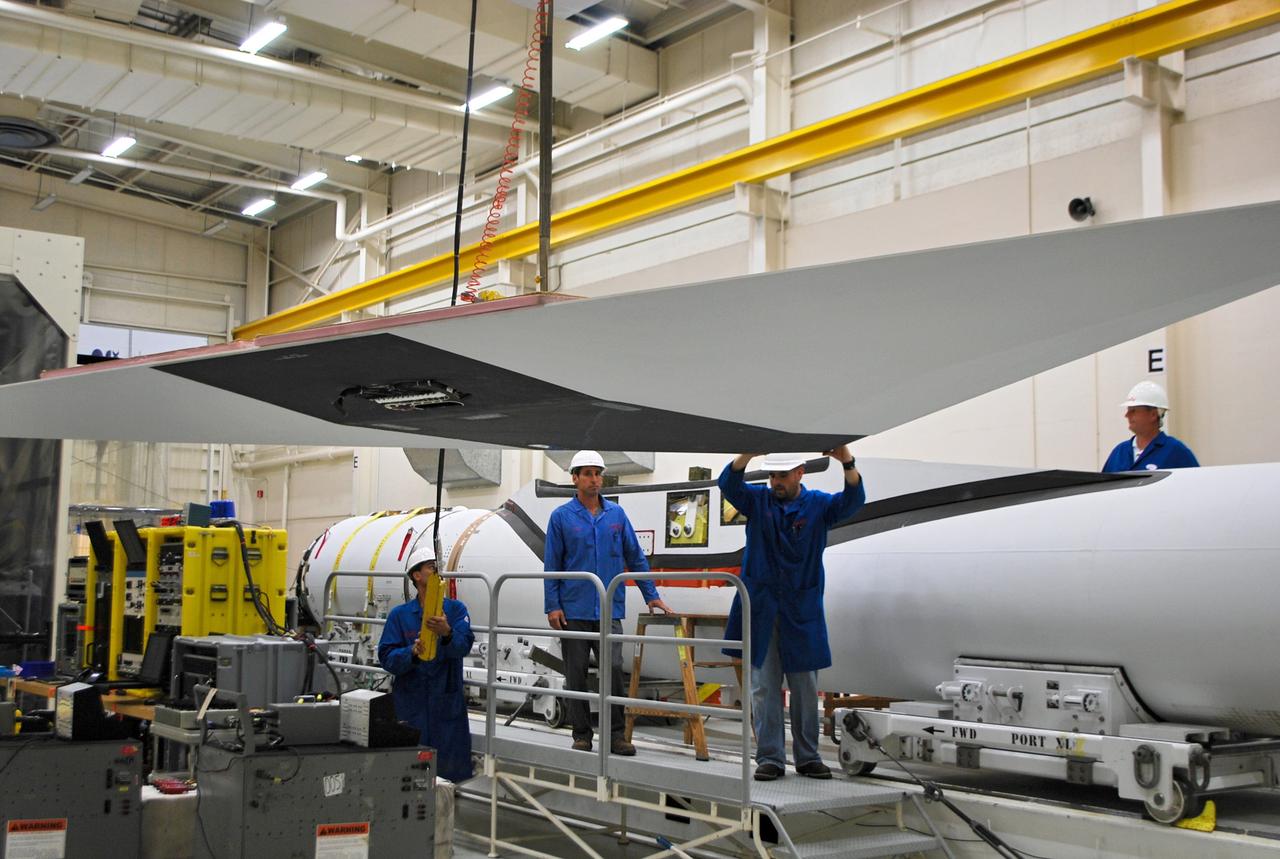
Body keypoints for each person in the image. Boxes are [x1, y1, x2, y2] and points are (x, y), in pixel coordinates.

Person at [720, 447, 865, 781]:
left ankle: (807, 756)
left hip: (801, 609)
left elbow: (853, 500)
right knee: (764, 686)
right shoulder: (758, 502)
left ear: (800, 472)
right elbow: (728, 484)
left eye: (782, 476)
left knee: (804, 686)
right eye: (771, 476)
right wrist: (747, 454)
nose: (775, 482)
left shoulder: (819, 505)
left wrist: (847, 461)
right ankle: (769, 757)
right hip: (762, 608)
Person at [544, 450, 673, 755]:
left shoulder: (616, 515)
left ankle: (615, 735)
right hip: (573, 609)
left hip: (608, 609)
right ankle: (581, 734)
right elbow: (552, 563)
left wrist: (651, 594)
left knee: (613, 671)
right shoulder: (561, 517)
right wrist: (553, 605)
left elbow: (635, 557)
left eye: (598, 473)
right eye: (587, 473)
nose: (594, 479)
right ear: (574, 478)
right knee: (575, 674)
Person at [378, 545, 475, 782]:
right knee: (411, 775)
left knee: (449, 775)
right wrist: (411, 652)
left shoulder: (455, 610)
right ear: (416, 575)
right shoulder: (400, 616)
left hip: (446, 703)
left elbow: (464, 646)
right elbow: (387, 657)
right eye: (431, 567)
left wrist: (447, 632)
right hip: (412, 704)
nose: (437, 572)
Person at [1102, 381, 1199, 473]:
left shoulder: (1176, 452)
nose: (1127, 415)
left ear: (1153, 414)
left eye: (1133, 410)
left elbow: (1196, 485)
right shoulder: (1119, 452)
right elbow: (1104, 488)